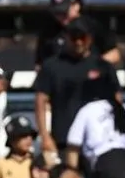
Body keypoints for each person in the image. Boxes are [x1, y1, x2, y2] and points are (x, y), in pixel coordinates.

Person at [34, 18, 106, 162]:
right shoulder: (51, 66)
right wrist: (45, 136)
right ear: (66, 38)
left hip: (97, 139)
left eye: (82, 37)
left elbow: (115, 100)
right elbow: (40, 101)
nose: (78, 42)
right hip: (63, 140)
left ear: (90, 38)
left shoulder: (102, 66)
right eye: (74, 37)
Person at [36, 0, 120, 69]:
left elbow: (114, 54)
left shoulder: (93, 26)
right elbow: (40, 64)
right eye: (57, 13)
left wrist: (91, 67)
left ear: (76, 6)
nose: (61, 17)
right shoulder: (48, 32)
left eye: (64, 12)